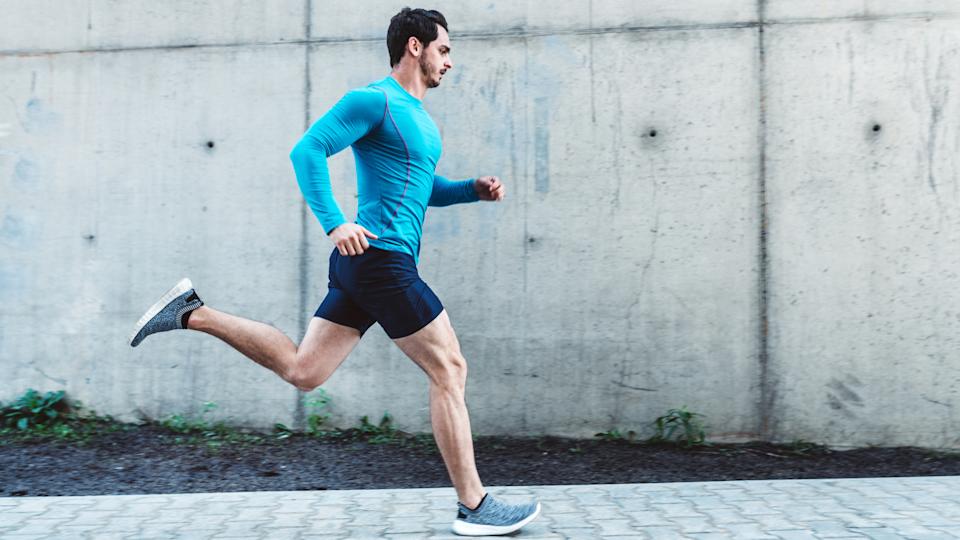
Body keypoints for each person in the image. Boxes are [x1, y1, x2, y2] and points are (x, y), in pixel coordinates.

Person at [128, 7, 541, 537]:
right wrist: (334, 223)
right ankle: (475, 506)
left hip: (366, 266)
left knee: (305, 371)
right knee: (450, 369)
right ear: (414, 47)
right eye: (444, 49)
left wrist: (469, 191)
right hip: (380, 260)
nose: (450, 62)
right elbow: (308, 150)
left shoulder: (420, 119)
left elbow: (421, 188)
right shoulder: (375, 100)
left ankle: (193, 313)